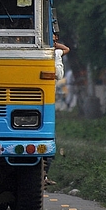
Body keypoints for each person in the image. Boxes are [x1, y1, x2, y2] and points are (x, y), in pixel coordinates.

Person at [46, 33, 71, 185]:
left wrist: (54, 44)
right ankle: (44, 176)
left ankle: (44, 175)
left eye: (55, 37)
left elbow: (66, 49)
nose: (54, 39)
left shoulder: (56, 51)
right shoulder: (45, 52)